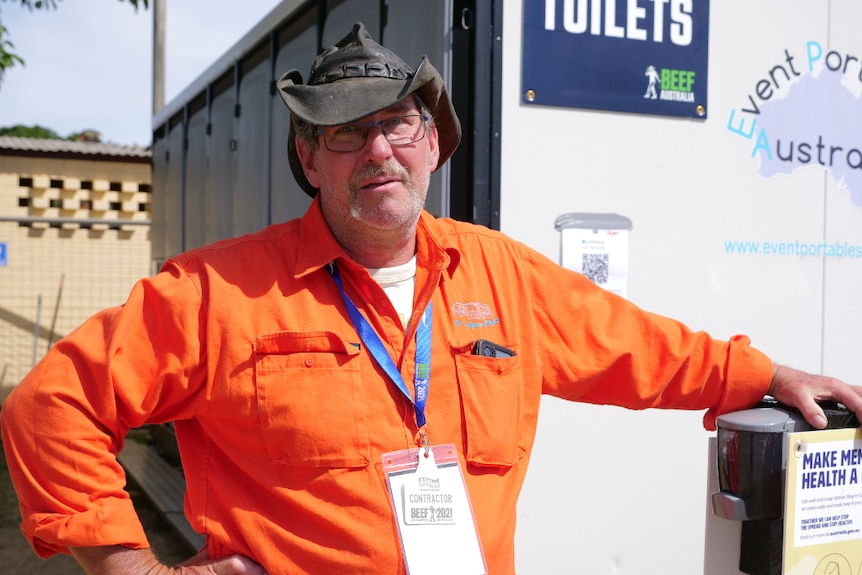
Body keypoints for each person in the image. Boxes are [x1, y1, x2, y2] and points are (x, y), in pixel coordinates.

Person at [2, 22, 861, 575]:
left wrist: (765, 374)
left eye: (398, 122)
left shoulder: (502, 276)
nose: (377, 148)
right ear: (310, 158)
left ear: (434, 144)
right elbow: (49, 409)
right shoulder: (216, 293)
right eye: (345, 129)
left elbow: (645, 348)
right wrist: (132, 569)